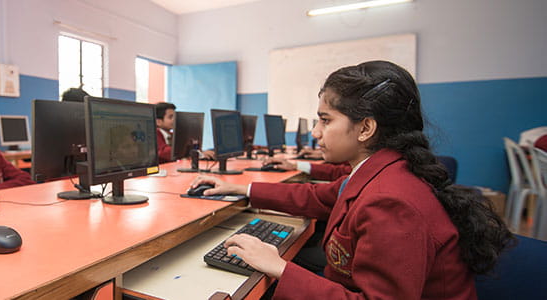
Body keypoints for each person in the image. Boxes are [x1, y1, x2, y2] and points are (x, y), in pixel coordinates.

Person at [190, 61, 513, 299]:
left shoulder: (391, 201)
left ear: (366, 128)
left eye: (325, 120)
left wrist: (279, 267)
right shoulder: (383, 170)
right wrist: (239, 188)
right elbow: (318, 198)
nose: (316, 132)